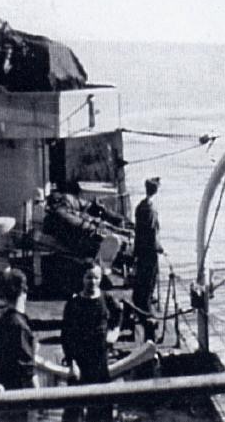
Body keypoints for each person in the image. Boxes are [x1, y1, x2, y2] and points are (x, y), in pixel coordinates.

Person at [61, 264, 121, 422]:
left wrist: (114, 331)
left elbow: (118, 314)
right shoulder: (74, 303)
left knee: (102, 405)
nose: (92, 281)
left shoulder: (106, 299)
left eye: (96, 278)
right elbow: (66, 335)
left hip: (100, 360)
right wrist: (71, 363)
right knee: (73, 407)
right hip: (80, 360)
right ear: (82, 278)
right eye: (89, 277)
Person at [0, 268, 38, 422]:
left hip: (5, 387)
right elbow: (26, 367)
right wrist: (39, 394)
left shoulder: (2, 321)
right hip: (21, 390)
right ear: (23, 292)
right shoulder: (19, 325)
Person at [132, 177, 164, 341]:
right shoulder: (151, 209)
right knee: (148, 288)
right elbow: (151, 233)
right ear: (156, 190)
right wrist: (160, 248)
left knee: (141, 288)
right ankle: (149, 328)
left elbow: (139, 232)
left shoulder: (140, 206)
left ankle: (141, 322)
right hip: (150, 254)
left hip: (141, 252)